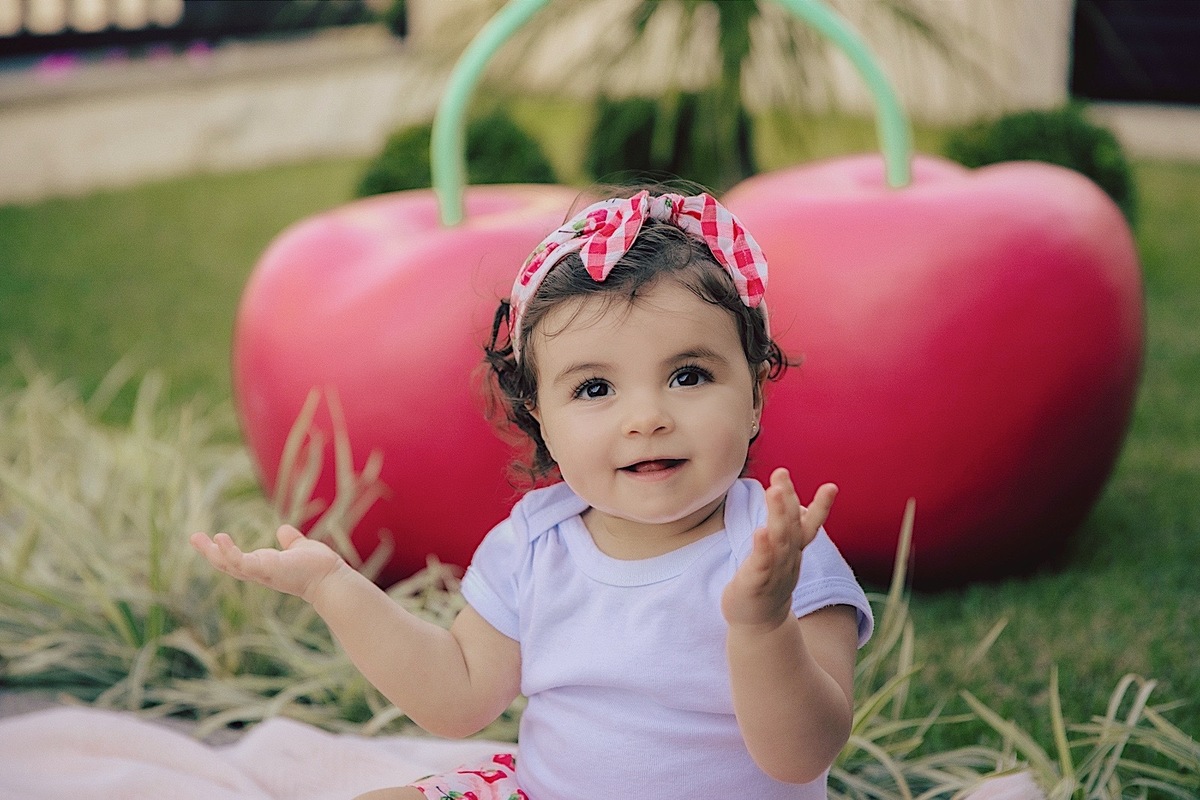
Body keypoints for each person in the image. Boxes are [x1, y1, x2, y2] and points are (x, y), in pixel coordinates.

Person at [191, 186, 874, 799]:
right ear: (540, 417)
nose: (648, 417)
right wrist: (331, 586)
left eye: (688, 376)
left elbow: (801, 754)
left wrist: (761, 622)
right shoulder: (535, 544)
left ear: (754, 395)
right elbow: (456, 696)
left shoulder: (776, 552)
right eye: (595, 388)